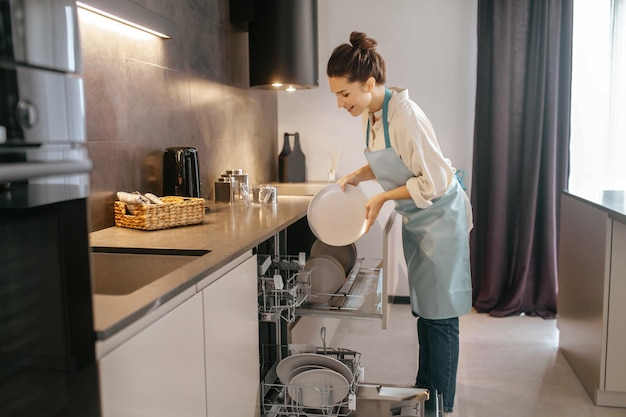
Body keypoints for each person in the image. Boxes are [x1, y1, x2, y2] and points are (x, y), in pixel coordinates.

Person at [327, 31, 473, 415]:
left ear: (369, 84)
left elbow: (434, 181)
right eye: (336, 96)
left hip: (441, 216)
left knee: (440, 317)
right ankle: (426, 392)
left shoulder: (405, 115)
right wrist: (360, 175)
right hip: (421, 219)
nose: (340, 103)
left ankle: (440, 405)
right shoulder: (373, 114)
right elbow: (392, 162)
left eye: (344, 94)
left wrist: (381, 197)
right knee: (426, 311)